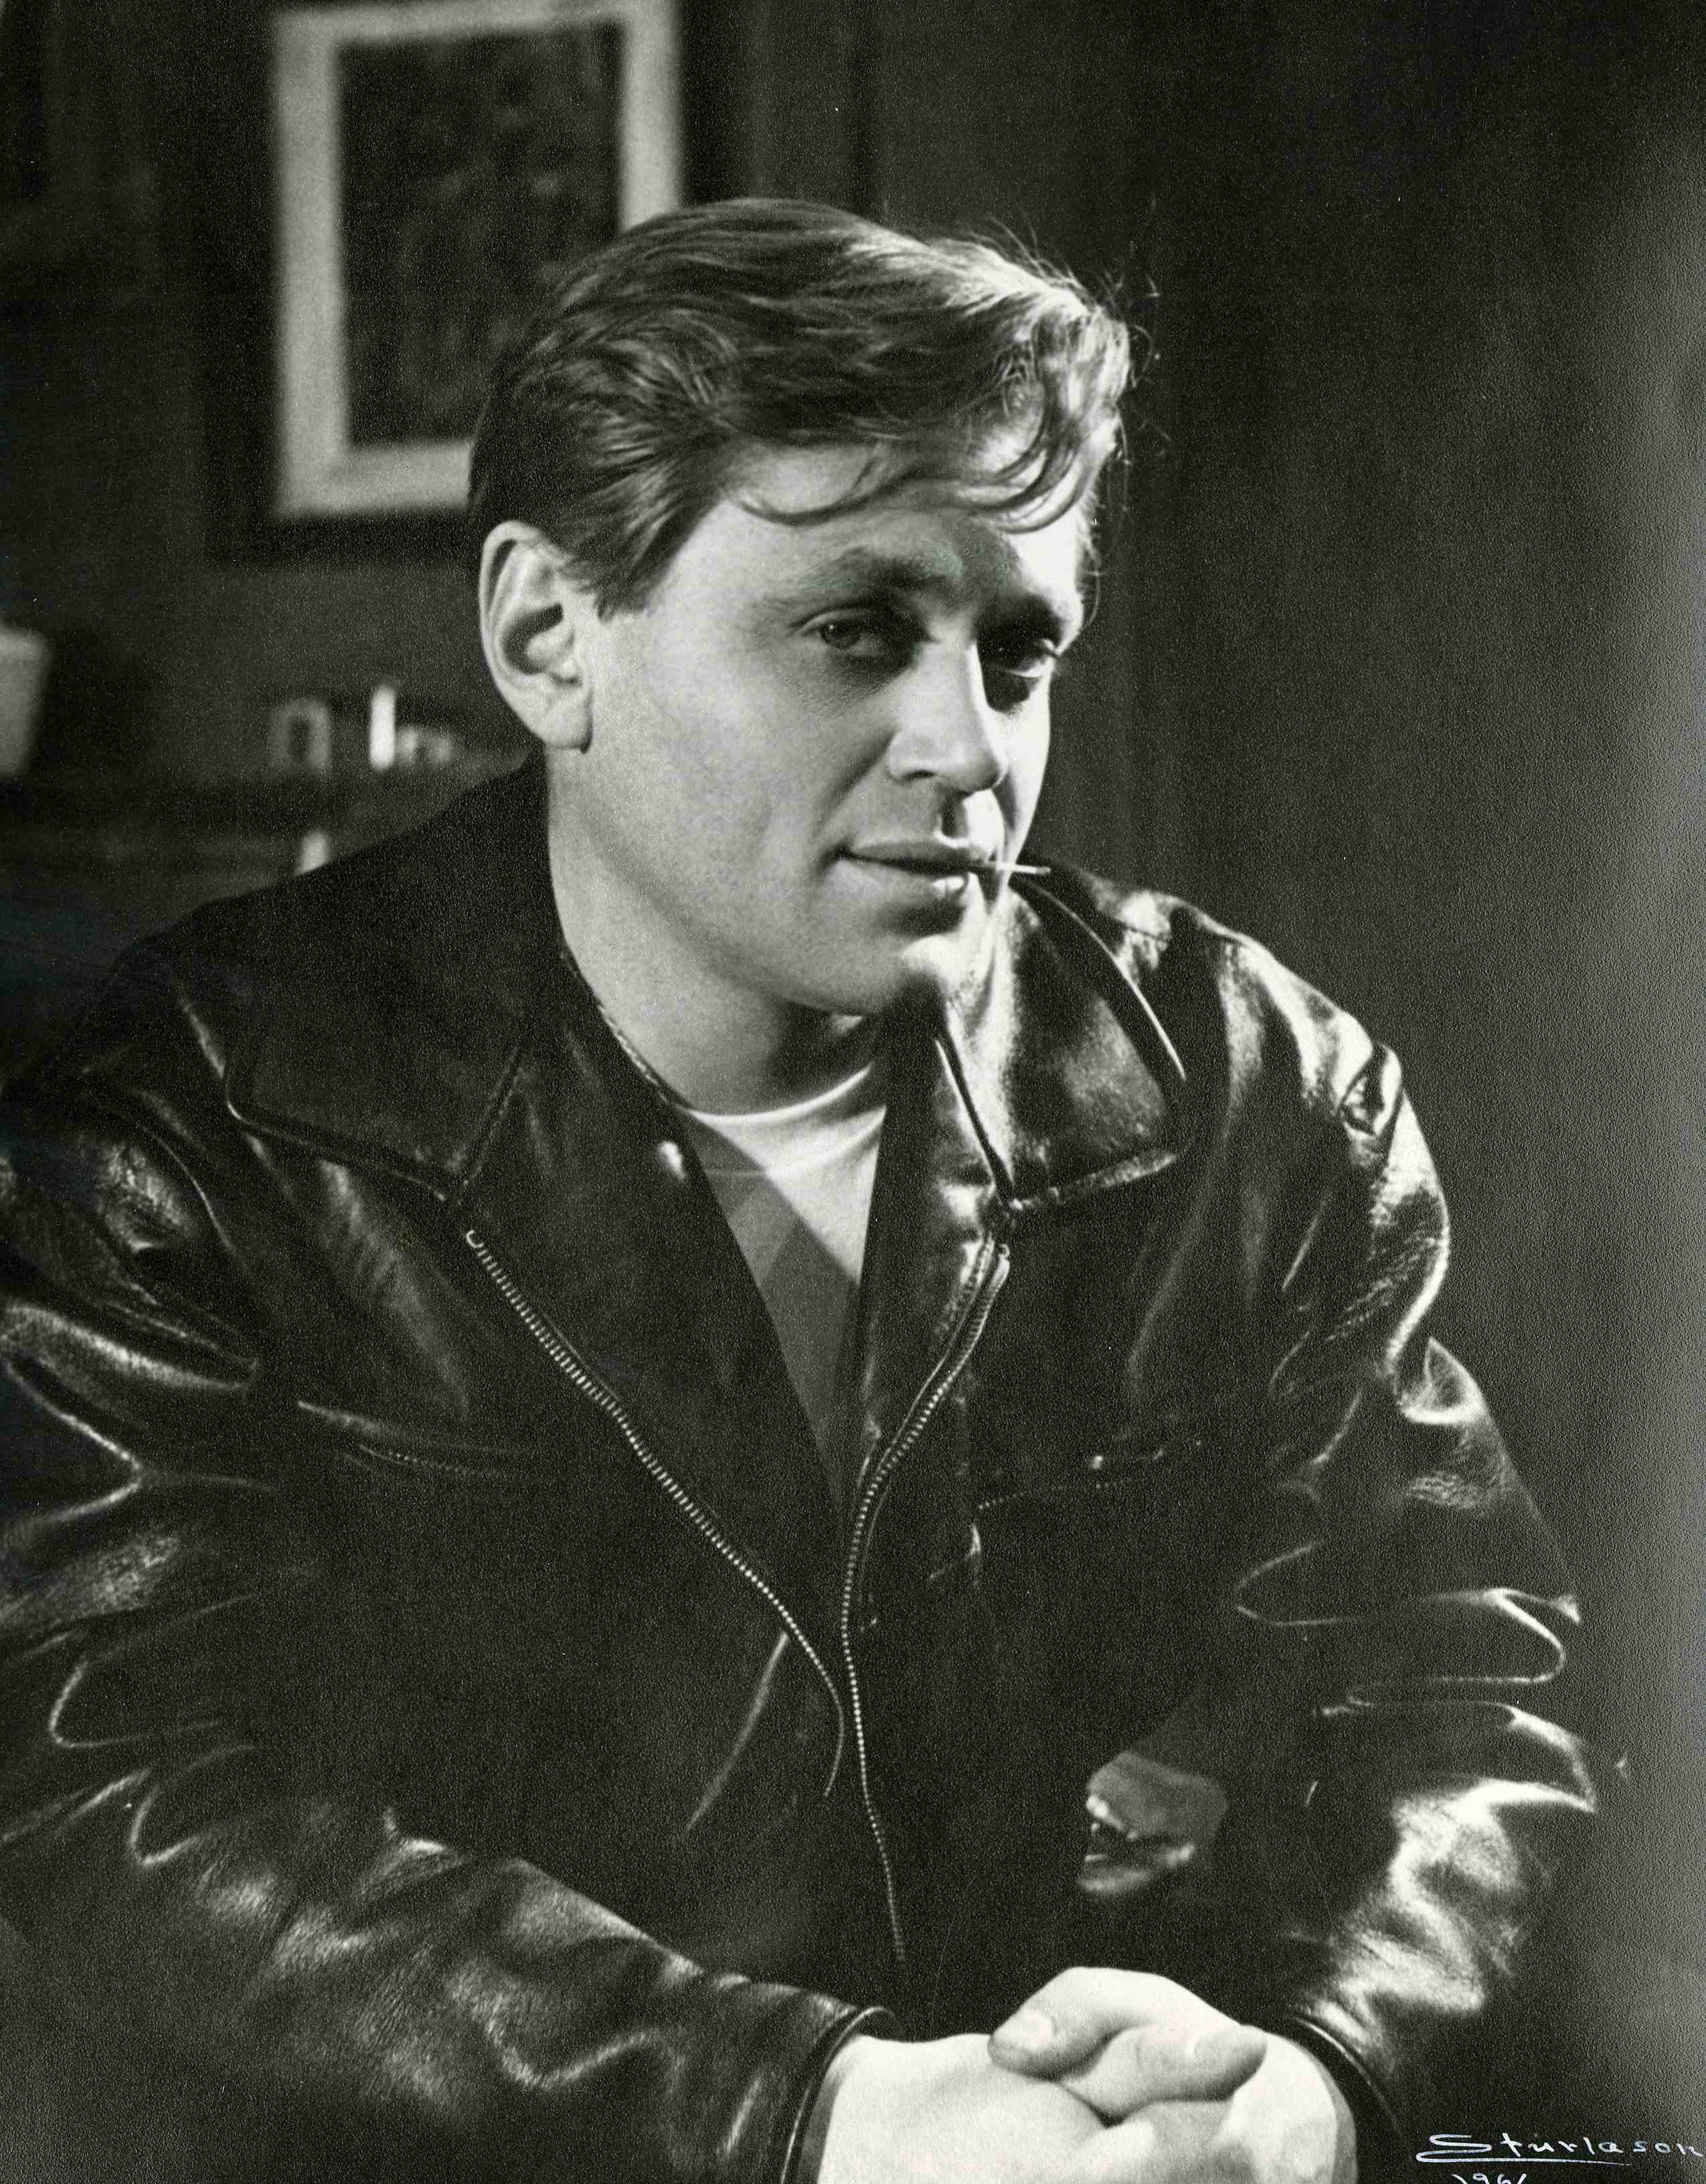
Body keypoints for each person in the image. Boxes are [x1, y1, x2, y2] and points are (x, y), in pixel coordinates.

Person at [0, 199, 1595, 2183]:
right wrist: (811, 2110)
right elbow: (112, 1800)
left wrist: (1321, 2077)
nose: (970, 751)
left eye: (1017, 650)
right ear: (546, 636)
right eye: (856, 632)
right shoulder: (187, 1124)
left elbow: (1460, 1695)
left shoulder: (1250, 1087)